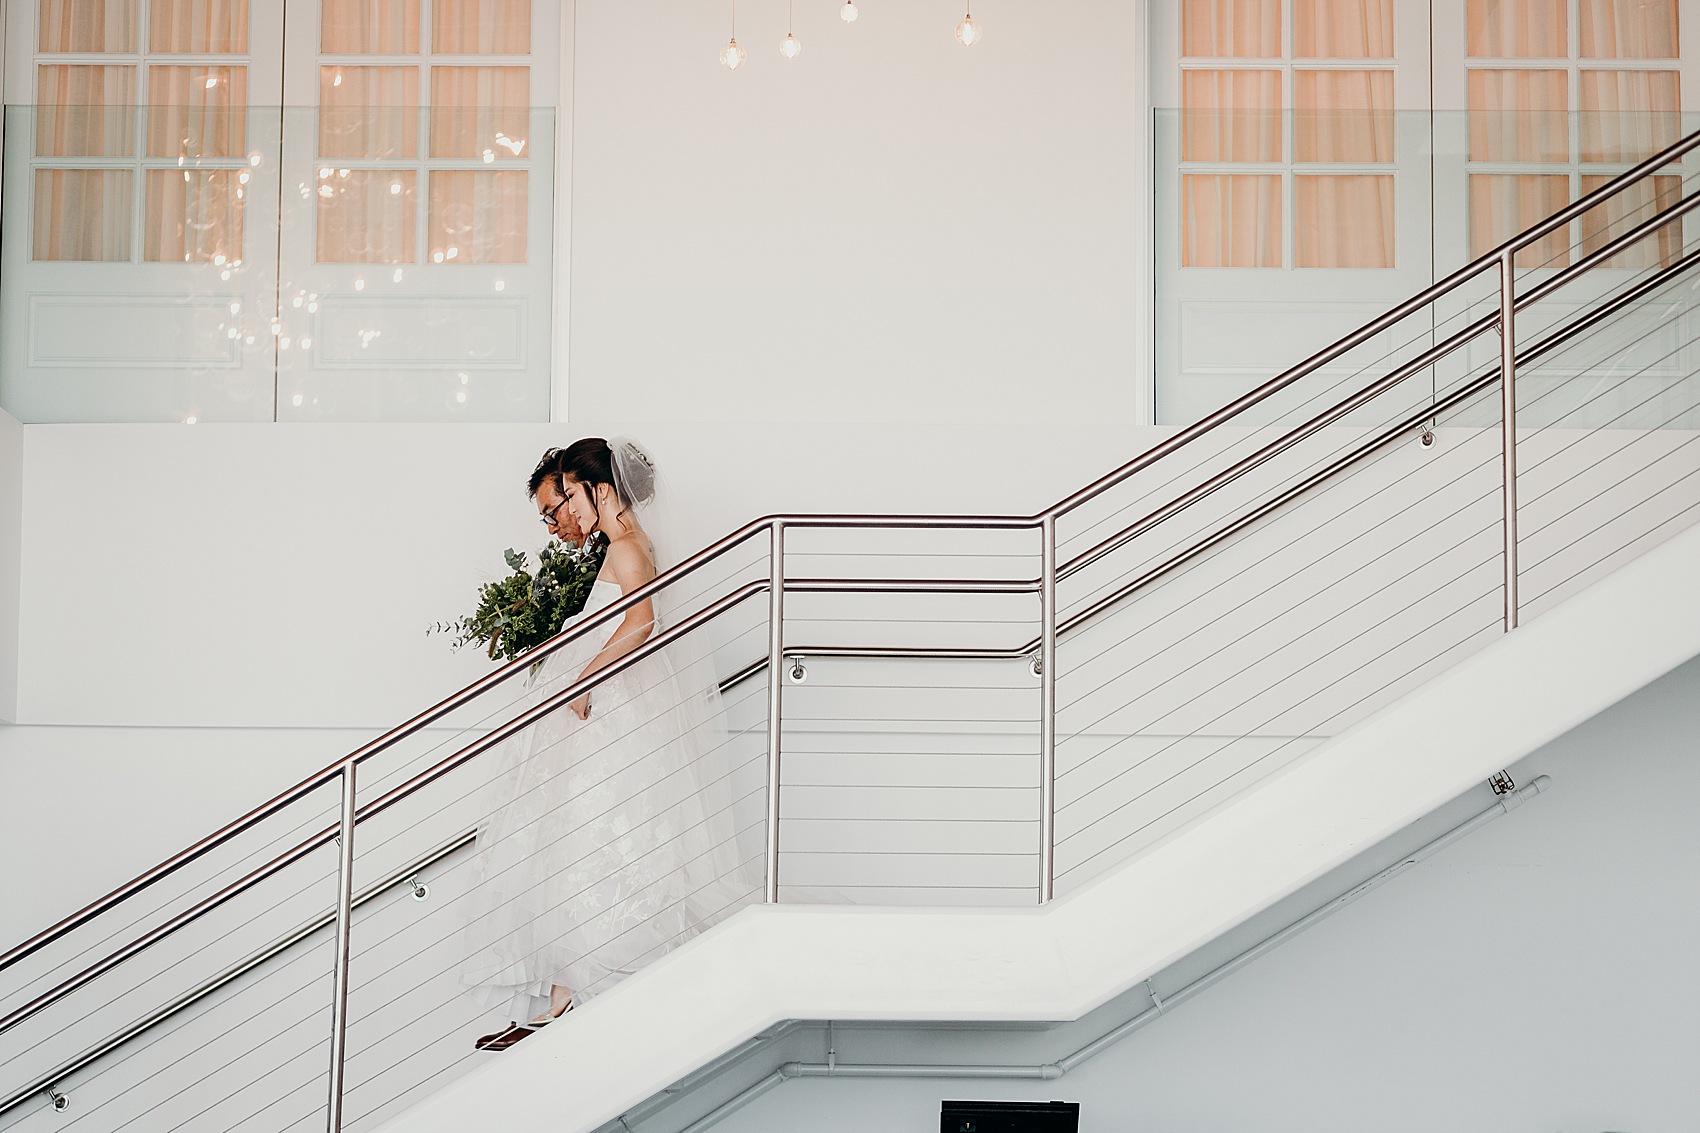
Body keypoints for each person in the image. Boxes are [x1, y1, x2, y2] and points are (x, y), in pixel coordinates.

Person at [458, 437, 757, 1051]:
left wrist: (586, 673)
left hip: (617, 708)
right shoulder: (628, 544)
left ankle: (580, 997)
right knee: (581, 843)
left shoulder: (625, 546)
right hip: (618, 708)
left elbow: (641, 620)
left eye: (570, 494)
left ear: (598, 489)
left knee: (602, 837)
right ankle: (567, 998)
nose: (568, 507)